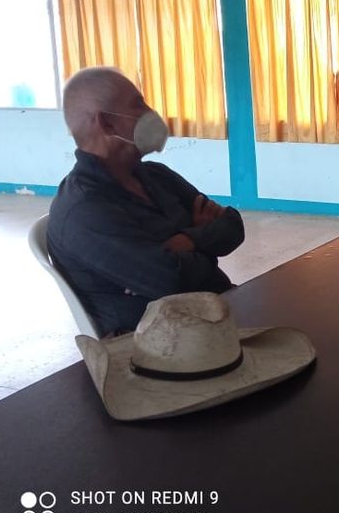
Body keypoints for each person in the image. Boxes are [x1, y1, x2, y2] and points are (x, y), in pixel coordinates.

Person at [47, 67, 245, 338]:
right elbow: (171, 282)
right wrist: (206, 244)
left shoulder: (156, 175)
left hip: (216, 314)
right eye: (138, 105)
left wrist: (187, 240)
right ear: (107, 123)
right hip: (156, 343)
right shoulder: (83, 210)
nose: (151, 113)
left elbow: (233, 226)